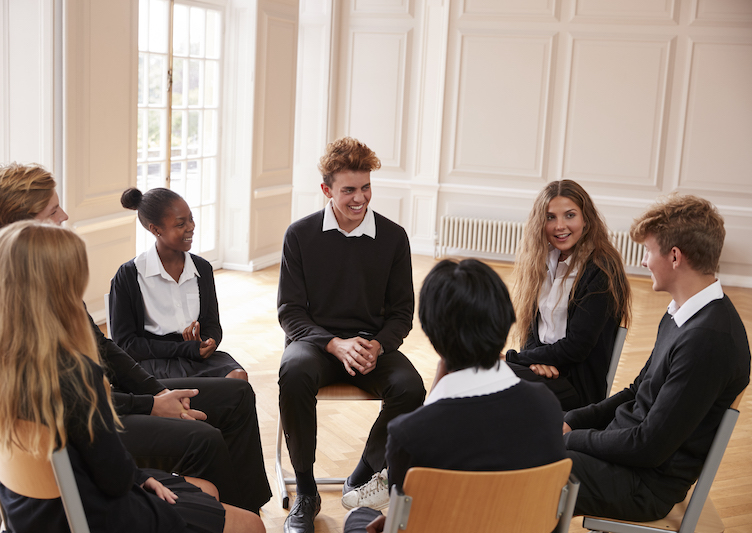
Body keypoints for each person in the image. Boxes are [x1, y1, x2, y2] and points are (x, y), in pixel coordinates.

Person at [0, 163, 271, 513]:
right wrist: (150, 405)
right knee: (205, 439)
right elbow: (65, 401)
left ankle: (244, 513)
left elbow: (103, 344)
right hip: (82, 430)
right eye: (53, 210)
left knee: (237, 394)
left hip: (103, 400)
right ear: (23, 224)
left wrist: (157, 391)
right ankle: (228, 520)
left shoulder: (39, 267)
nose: (64, 215)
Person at [343, 259, 567, 533]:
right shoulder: (546, 405)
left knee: (358, 518)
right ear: (504, 321)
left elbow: (412, 517)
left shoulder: (409, 434)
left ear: (432, 334)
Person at [563, 194, 750, 521]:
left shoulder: (708, 340)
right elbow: (637, 391)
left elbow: (648, 446)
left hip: (645, 484)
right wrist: (573, 421)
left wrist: (572, 439)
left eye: (648, 251)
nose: (645, 261)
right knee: (536, 442)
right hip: (627, 460)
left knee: (535, 464)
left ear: (675, 256)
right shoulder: (682, 313)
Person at [277, 138, 425, 533]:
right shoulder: (300, 235)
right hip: (317, 344)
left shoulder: (393, 238)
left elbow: (401, 313)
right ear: (327, 190)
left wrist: (377, 345)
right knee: (293, 373)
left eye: (365, 188)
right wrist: (333, 344)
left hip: (370, 345)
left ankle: (361, 476)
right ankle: (306, 493)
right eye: (349, 190)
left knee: (411, 388)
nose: (360, 198)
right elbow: (290, 311)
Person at [505, 179, 632, 410]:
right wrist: (536, 360)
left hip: (576, 386)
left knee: (487, 378)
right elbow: (533, 328)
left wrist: (519, 359)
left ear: (586, 219)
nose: (559, 226)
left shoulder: (602, 269)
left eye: (570, 215)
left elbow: (578, 346)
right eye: (550, 217)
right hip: (542, 370)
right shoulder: (542, 260)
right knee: (476, 375)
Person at [110, 187, 246, 380]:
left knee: (238, 378)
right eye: (181, 223)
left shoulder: (202, 269)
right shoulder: (129, 275)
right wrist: (184, 348)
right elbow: (126, 344)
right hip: (152, 359)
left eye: (191, 219)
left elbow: (212, 323)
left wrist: (209, 341)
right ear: (156, 229)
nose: (191, 227)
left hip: (195, 355)